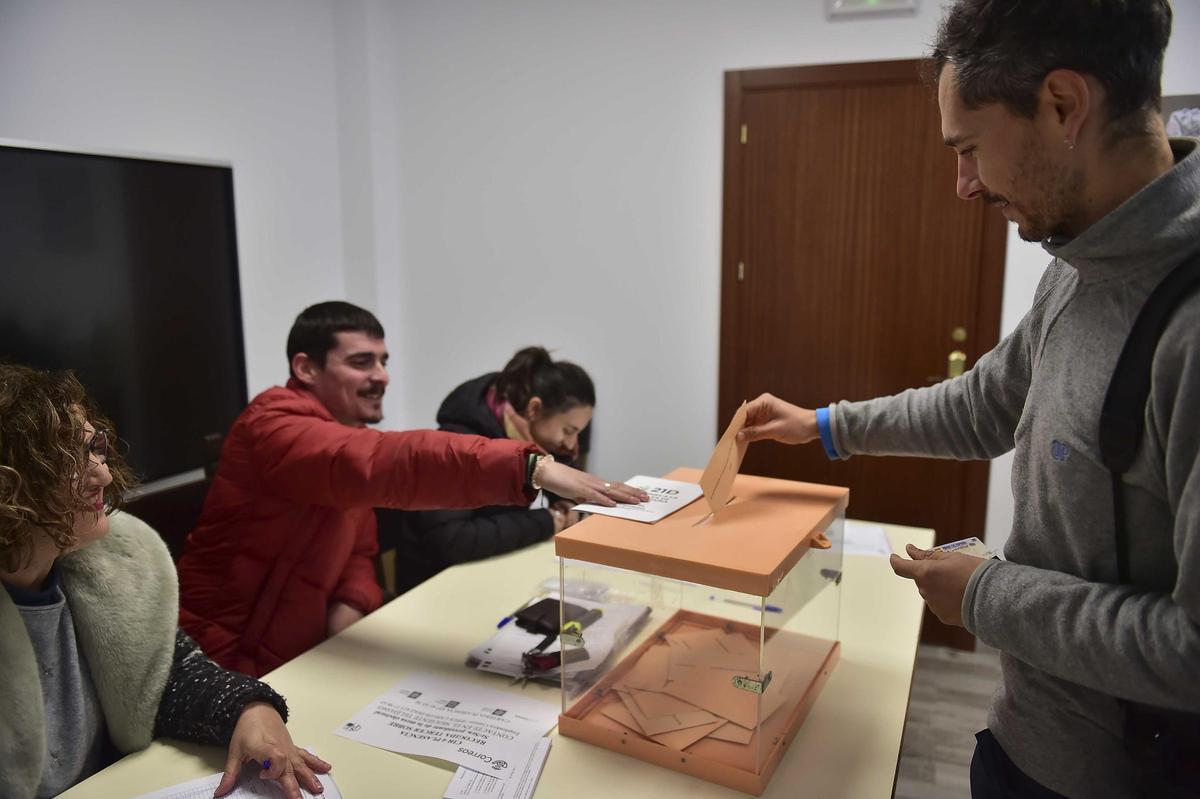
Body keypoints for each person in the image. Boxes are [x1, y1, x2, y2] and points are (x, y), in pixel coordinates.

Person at [736, 2, 1198, 797]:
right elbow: (984, 404)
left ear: (1062, 106)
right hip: (1022, 741)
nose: (963, 185)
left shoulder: (1186, 325)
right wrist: (820, 425)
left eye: (970, 149)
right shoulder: (1078, 263)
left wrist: (985, 591)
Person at [178, 302, 644, 677]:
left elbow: (360, 549)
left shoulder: (343, 431)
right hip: (224, 658)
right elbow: (382, 463)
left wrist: (351, 605)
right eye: (361, 362)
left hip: (307, 654)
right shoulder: (273, 427)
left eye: (383, 361)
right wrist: (529, 468)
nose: (381, 375)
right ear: (305, 368)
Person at [0, 364, 327, 799]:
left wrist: (252, 709)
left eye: (94, 449)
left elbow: (169, 673)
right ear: (9, 490)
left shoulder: (108, 566)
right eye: (66, 462)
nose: (105, 475)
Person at [378, 346, 595, 594]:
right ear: (534, 409)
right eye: (568, 431)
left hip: (489, 575)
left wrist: (568, 506)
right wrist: (547, 520)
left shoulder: (539, 441)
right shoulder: (459, 442)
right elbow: (452, 540)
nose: (571, 444)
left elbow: (563, 489)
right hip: (434, 589)